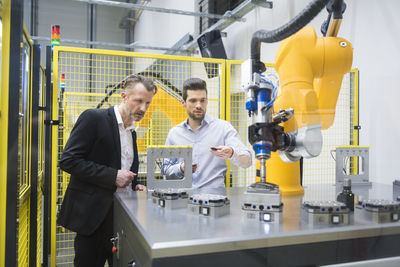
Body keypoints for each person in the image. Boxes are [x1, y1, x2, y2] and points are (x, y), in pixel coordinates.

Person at [57, 74, 157, 267]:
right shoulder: (94, 118)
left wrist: (136, 186)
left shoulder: (132, 131)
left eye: (148, 103)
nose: (143, 108)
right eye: (138, 101)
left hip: (122, 218)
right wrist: (112, 176)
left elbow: (124, 166)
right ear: (124, 96)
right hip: (94, 219)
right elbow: (68, 161)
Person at [162, 77, 252, 188]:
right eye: (193, 100)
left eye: (202, 100)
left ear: (207, 101)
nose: (199, 105)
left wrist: (233, 153)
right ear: (183, 102)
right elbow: (165, 170)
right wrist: (181, 168)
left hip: (215, 200)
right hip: (183, 199)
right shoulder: (174, 134)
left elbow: (247, 161)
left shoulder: (223, 128)